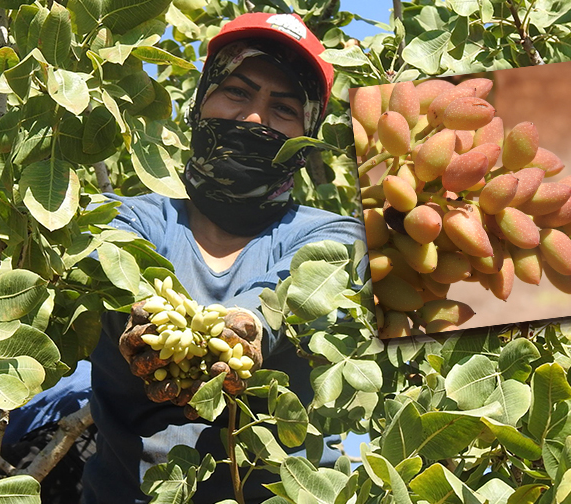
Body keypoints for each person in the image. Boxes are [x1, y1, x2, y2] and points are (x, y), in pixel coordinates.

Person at [80, 12, 366, 504]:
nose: (254, 118)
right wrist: (141, 312)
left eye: (284, 108)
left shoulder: (336, 233)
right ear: (200, 102)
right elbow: (117, 263)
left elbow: (295, 293)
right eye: (237, 92)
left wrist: (247, 326)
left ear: (306, 137)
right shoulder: (125, 216)